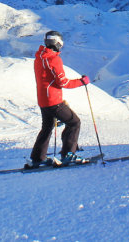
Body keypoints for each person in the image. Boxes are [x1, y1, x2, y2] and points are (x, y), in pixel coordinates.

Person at [30, 30, 92, 167]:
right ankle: (68, 154)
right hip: (53, 100)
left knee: (47, 127)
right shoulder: (54, 59)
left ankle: (38, 158)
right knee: (74, 122)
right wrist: (82, 82)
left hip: (43, 100)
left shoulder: (39, 57)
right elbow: (63, 82)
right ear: (57, 43)